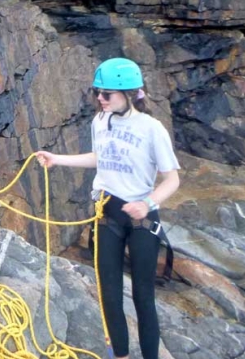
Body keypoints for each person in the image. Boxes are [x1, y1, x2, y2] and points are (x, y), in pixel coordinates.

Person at [35, 57, 181, 359]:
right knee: (110, 294)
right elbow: (100, 158)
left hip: (141, 219)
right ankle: (122, 356)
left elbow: (172, 180)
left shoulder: (151, 129)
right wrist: (57, 159)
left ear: (130, 94)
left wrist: (148, 203)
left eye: (106, 94)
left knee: (143, 296)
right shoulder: (99, 122)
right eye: (97, 93)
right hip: (106, 215)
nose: (99, 99)